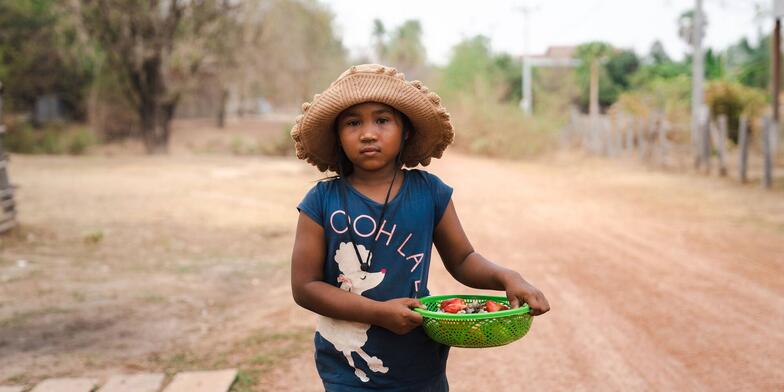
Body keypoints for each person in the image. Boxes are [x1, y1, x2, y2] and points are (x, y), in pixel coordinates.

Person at [290, 64, 550, 391]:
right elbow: (305, 286)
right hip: (348, 369)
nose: (368, 133)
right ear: (338, 137)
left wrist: (508, 278)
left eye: (382, 120)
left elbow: (463, 259)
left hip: (419, 364)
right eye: (353, 122)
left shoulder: (430, 193)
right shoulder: (321, 201)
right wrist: (379, 312)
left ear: (406, 132)